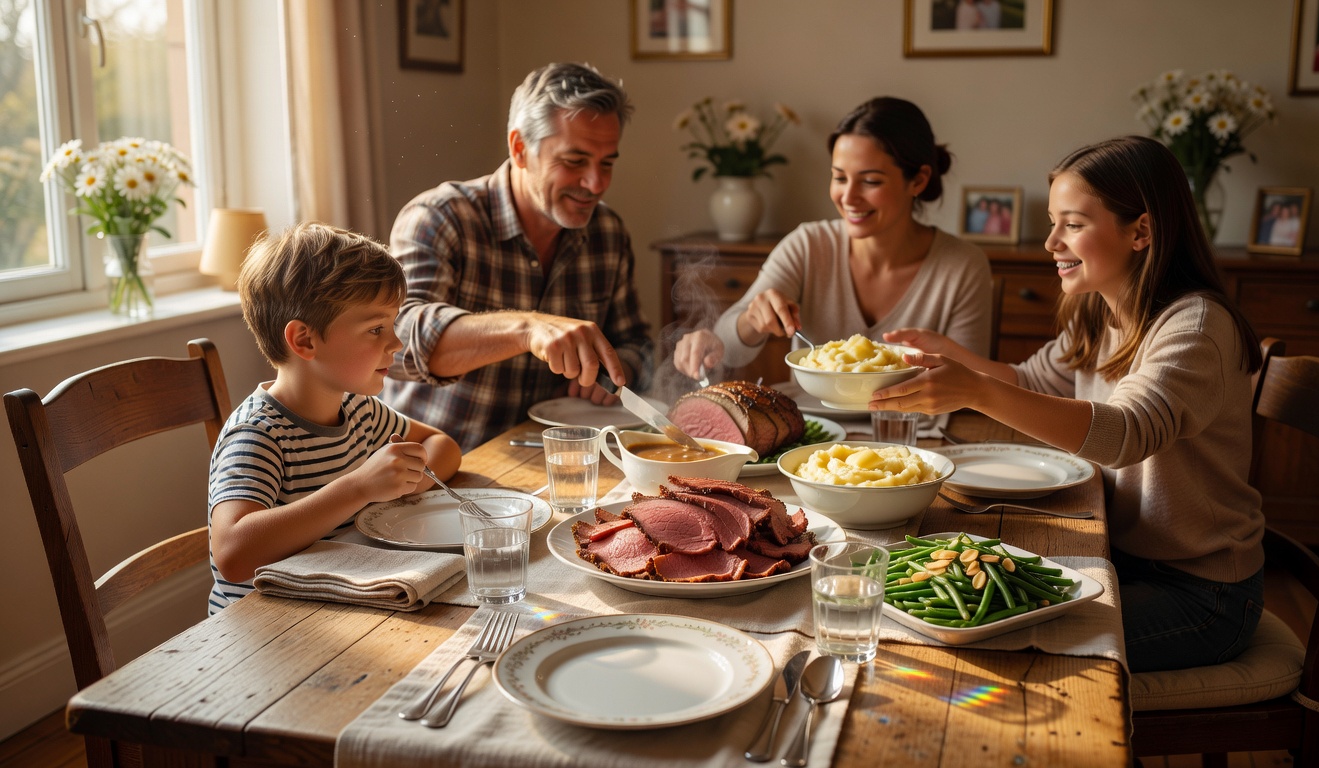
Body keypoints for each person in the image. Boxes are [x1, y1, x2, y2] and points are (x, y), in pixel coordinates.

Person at [872, 135, 1265, 673]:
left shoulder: (1194, 326)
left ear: (1141, 231)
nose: (1051, 241)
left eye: (1073, 224)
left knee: (993, 638)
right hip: (1123, 557)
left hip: (1203, 593)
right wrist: (952, 356)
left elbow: (1125, 433)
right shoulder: (1100, 310)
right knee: (973, 610)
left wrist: (976, 390)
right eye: (1054, 222)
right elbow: (1034, 380)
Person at [382, 62, 652, 450]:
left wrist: (617, 369)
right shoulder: (440, 219)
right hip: (438, 470)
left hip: (551, 463)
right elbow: (394, 342)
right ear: (520, 149)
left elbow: (637, 342)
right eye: (574, 161)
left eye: (607, 163)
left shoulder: (607, 232)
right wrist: (528, 329)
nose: (596, 183)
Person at [206, 223, 462, 614]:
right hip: (264, 629)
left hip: (343, 601)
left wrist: (402, 479)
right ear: (304, 341)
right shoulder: (259, 434)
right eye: (376, 329)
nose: (395, 343)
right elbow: (233, 553)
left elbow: (442, 446)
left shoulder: (359, 410)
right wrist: (358, 489)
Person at [672, 96, 992, 384]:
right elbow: (729, 349)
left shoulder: (962, 266)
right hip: (815, 436)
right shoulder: (808, 245)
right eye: (839, 178)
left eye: (870, 181)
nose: (848, 197)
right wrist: (749, 322)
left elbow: (971, 383)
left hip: (913, 436)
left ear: (918, 180)